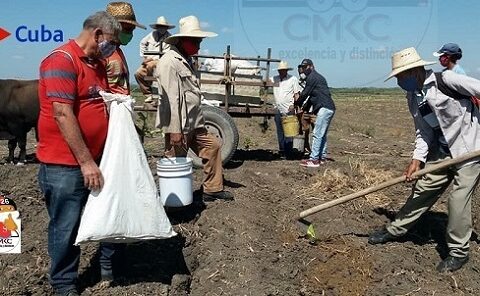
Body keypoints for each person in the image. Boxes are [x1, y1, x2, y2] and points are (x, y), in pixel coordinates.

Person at [368, 47, 480, 273]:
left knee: (458, 201)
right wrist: (417, 159)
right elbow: (424, 132)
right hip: (442, 151)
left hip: (470, 149)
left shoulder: (447, 80)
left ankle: (459, 253)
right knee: (423, 189)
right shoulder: (413, 96)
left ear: (415, 71)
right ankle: (396, 230)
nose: (399, 81)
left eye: (401, 76)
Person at [37, 11, 121, 296]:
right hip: (66, 165)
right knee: (66, 225)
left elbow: (102, 103)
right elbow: (62, 113)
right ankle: (64, 283)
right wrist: (86, 162)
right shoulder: (62, 60)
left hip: (97, 160)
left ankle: (107, 266)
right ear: (97, 34)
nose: (114, 48)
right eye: (112, 41)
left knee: (106, 213)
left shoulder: (97, 64)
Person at [155, 15, 233, 201]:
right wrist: (175, 130)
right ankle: (172, 200)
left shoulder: (186, 60)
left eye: (199, 41)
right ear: (183, 40)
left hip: (195, 122)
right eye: (195, 41)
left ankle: (212, 189)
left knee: (213, 146)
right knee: (175, 162)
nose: (198, 46)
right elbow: (170, 99)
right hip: (180, 124)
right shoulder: (169, 61)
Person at [294, 59, 335, 167]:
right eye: (303, 67)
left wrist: (297, 103)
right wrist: (304, 108)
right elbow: (312, 97)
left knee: (317, 133)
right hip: (328, 108)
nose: (304, 69)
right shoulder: (318, 77)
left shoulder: (312, 77)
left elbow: (305, 94)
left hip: (324, 108)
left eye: (306, 67)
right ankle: (322, 157)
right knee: (322, 134)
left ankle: (314, 160)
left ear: (311, 66)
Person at [105, 2, 146, 95]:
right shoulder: (100, 53)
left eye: (132, 30)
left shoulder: (118, 51)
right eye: (127, 29)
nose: (130, 34)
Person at [135, 16, 175, 103]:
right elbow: (142, 43)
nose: (162, 28)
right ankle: (148, 94)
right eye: (160, 26)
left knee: (150, 66)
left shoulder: (170, 38)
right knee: (138, 73)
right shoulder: (151, 35)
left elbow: (168, 52)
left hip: (161, 60)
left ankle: (155, 89)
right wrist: (144, 56)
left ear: (167, 28)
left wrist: (151, 59)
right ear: (157, 27)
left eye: (163, 27)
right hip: (149, 59)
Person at [271, 61, 301, 158]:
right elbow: (264, 83)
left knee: (288, 131)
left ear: (286, 70)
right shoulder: (274, 79)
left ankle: (289, 153)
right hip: (277, 109)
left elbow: (296, 94)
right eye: (280, 70)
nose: (281, 72)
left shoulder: (293, 79)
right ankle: (282, 151)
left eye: (283, 70)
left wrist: (296, 106)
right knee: (280, 131)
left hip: (289, 109)